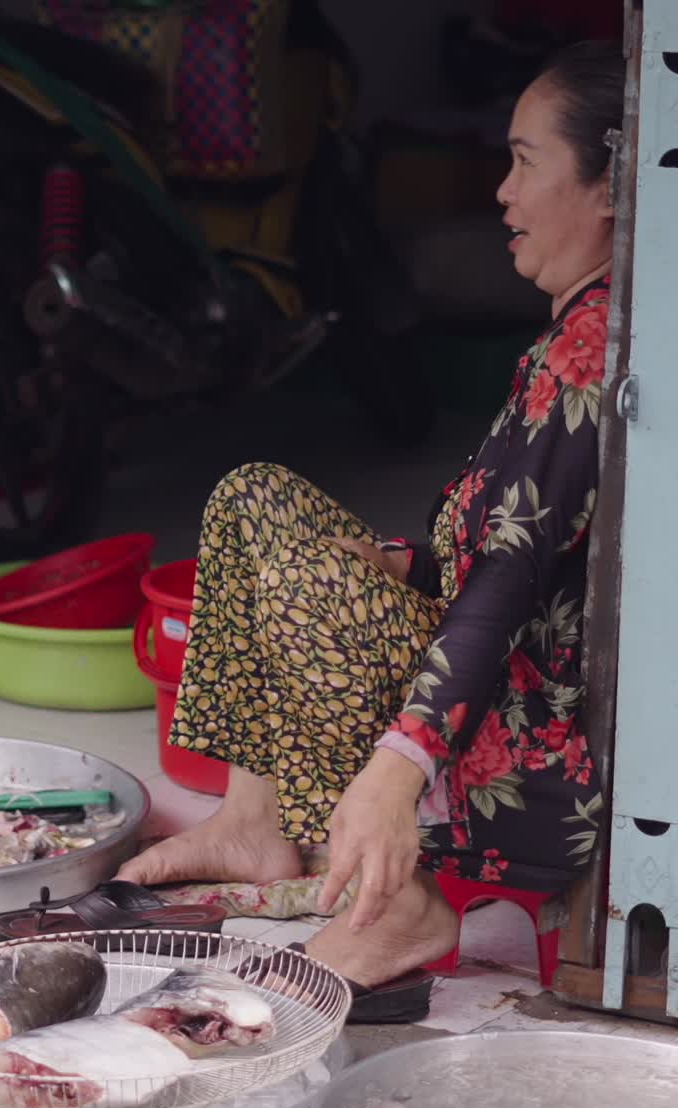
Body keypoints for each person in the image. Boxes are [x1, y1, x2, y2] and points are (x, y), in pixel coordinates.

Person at [117, 42, 624, 1013]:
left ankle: (413, 900)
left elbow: (508, 586)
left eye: (524, 162)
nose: (503, 193)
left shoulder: (590, 355)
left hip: (542, 759)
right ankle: (251, 821)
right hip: (511, 682)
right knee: (253, 492)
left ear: (606, 190)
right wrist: (410, 559)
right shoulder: (576, 329)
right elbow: (536, 556)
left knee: (310, 588)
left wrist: (399, 771)